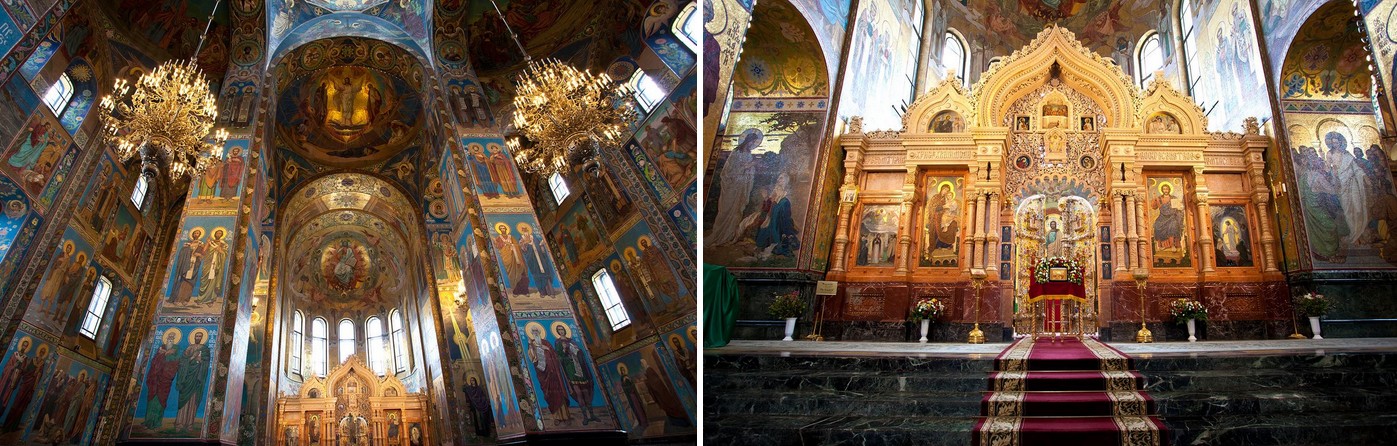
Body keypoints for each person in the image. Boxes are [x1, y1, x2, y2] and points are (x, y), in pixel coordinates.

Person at [709, 129, 761, 246]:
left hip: (742, 186)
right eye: (752, 141)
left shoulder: (749, 153)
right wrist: (749, 165)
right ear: (747, 140)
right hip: (732, 185)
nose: (753, 144)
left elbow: (748, 170)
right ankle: (718, 235)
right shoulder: (736, 152)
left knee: (737, 211)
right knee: (725, 210)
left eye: (754, 142)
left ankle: (730, 235)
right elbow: (730, 170)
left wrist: (751, 167)